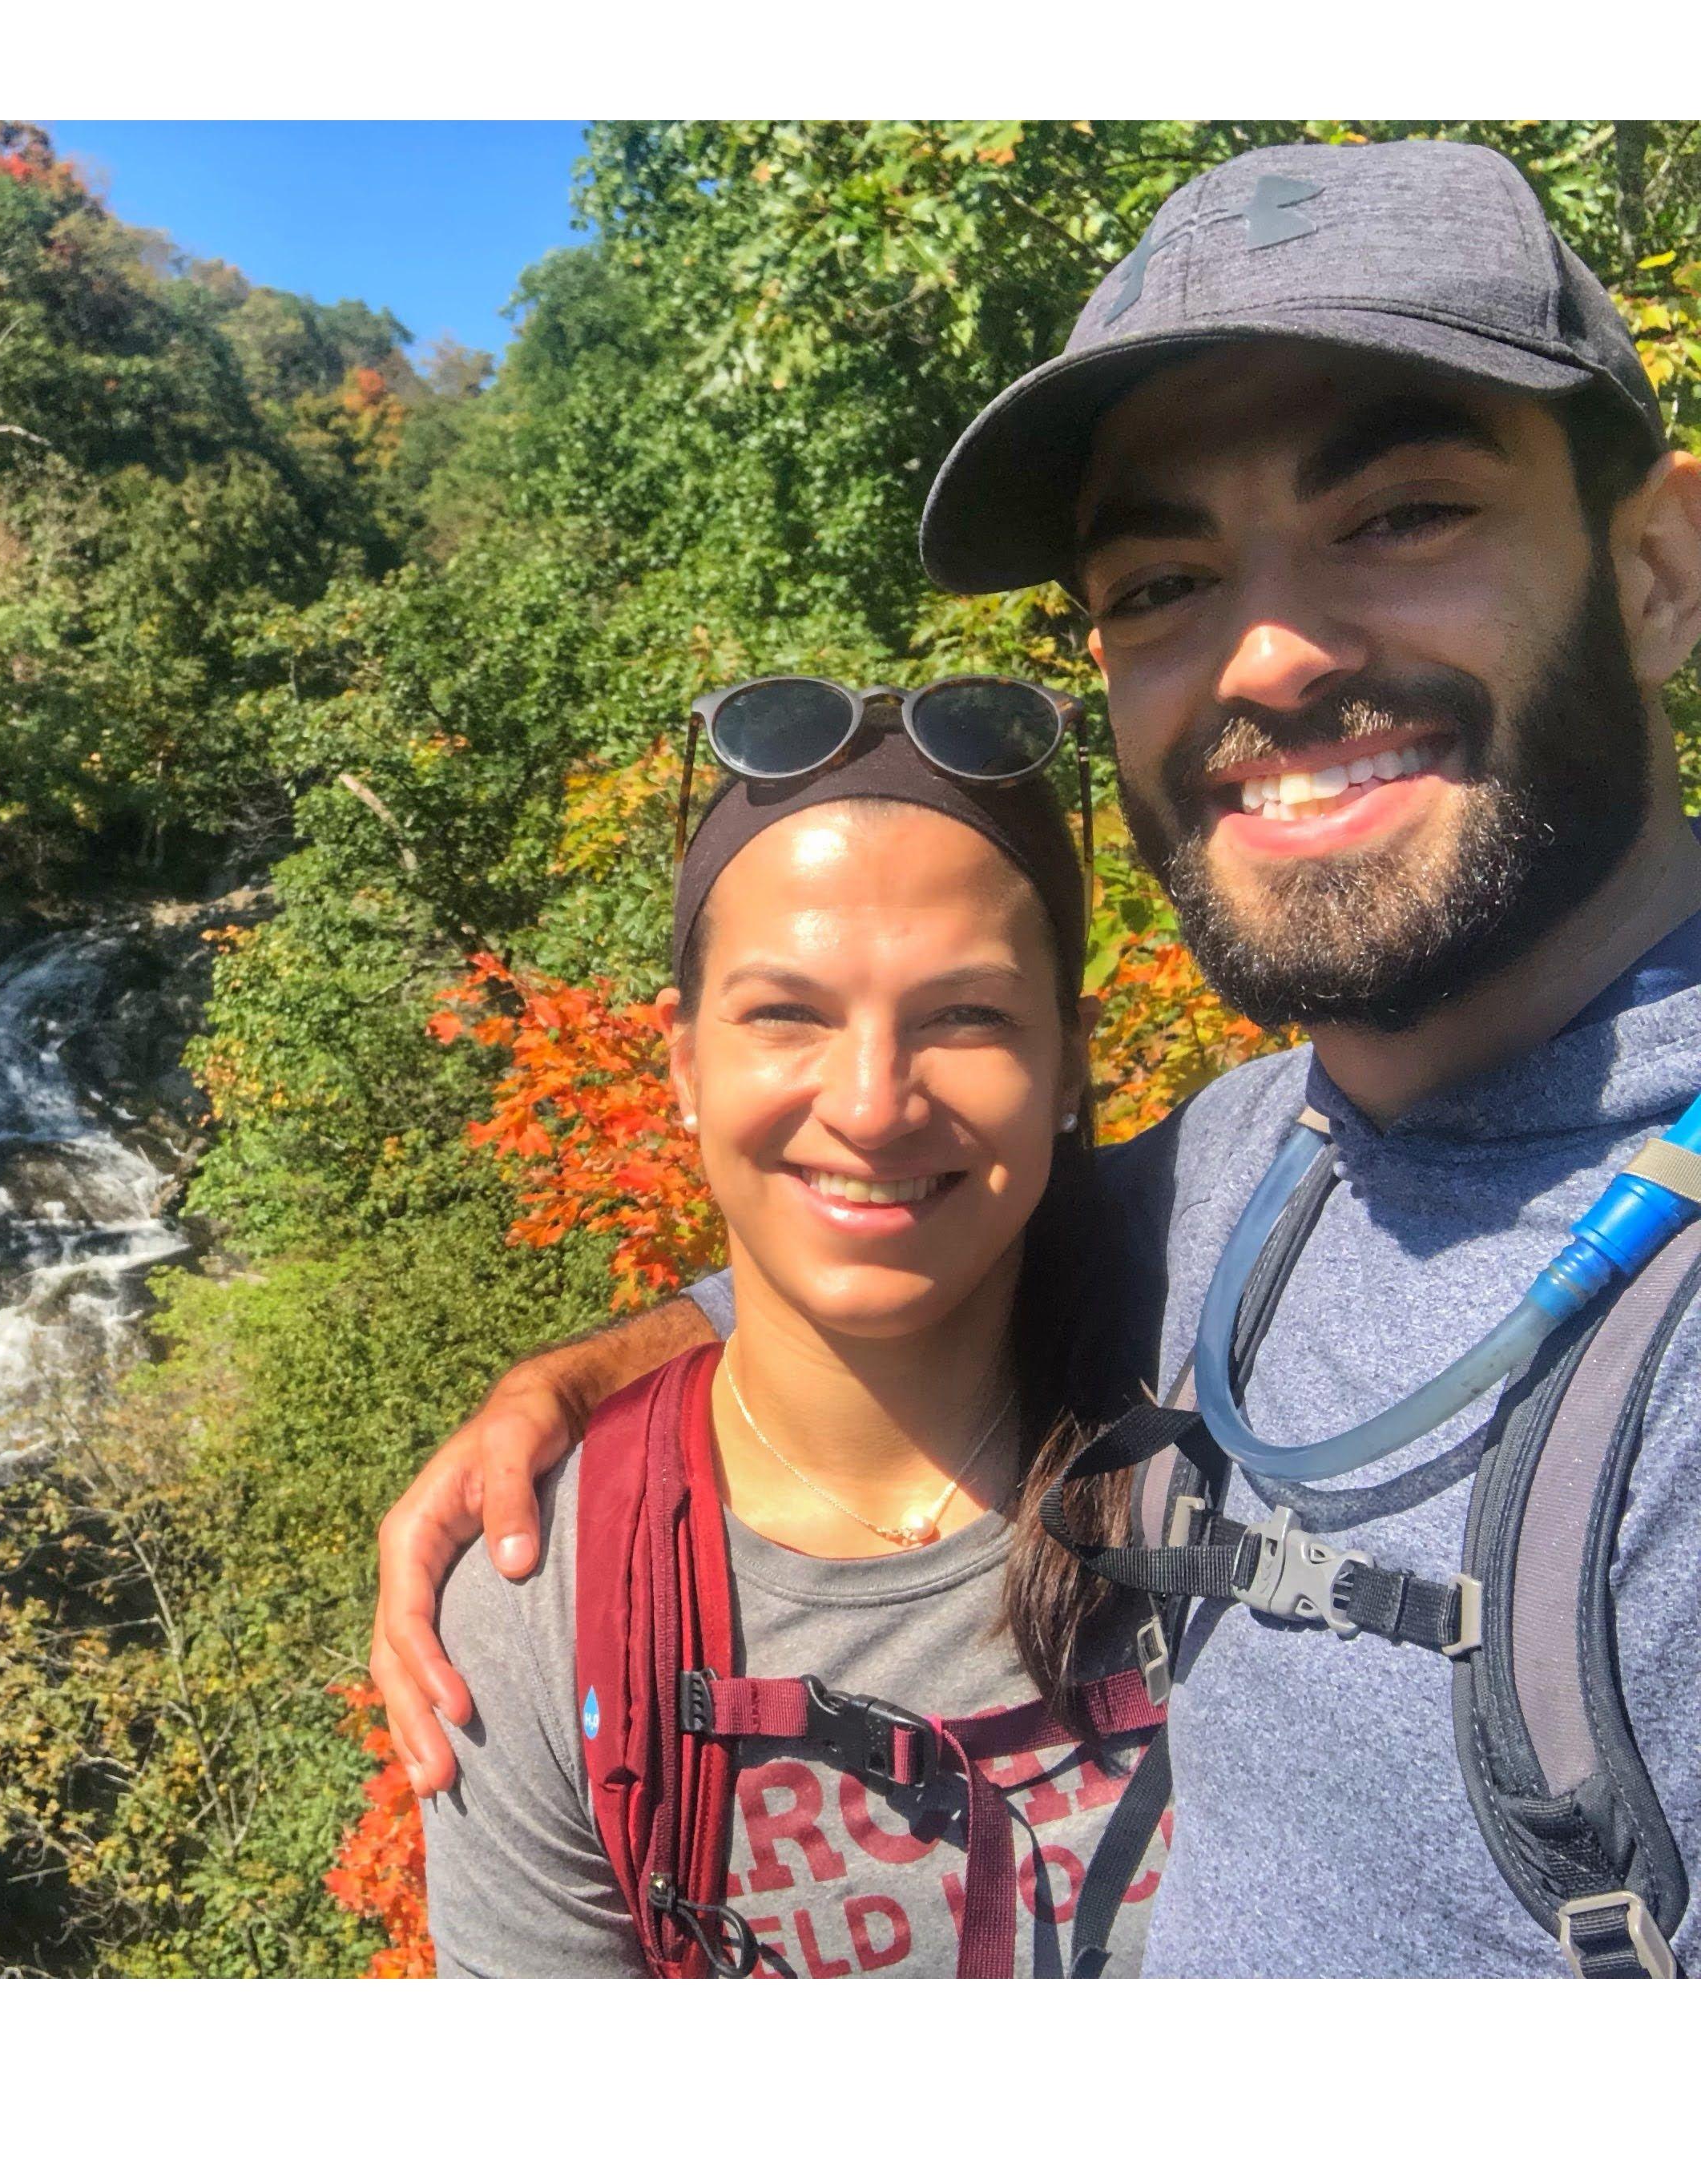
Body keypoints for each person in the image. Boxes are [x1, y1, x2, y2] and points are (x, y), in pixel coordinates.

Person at [377, 136, 1701, 1978]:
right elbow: (895, 1205)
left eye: (1399, 513)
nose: (1266, 654)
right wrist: (576, 1386)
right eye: (1160, 577)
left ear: (1654, 566)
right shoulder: (1254, 1171)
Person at [424, 711, 1168, 1978]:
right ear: (683, 1060)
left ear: (1068, 1062)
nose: (873, 1103)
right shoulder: (549, 1605)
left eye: (968, 1017)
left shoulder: (1245, 1394)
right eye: (786, 1013)